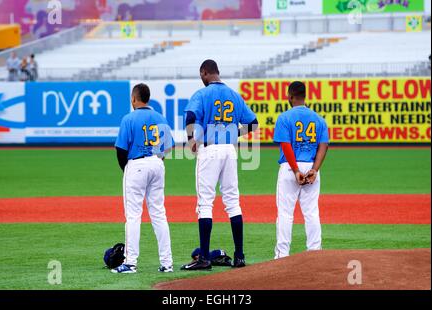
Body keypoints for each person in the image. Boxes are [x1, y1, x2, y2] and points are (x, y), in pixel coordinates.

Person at [181, 59, 258, 271]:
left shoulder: (202, 94)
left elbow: (189, 115)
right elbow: (253, 123)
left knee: (205, 203)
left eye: (201, 75)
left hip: (210, 149)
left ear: (205, 72)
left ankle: (204, 258)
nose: (201, 79)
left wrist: (190, 140)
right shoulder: (234, 95)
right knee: (233, 202)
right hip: (229, 150)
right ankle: (240, 256)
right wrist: (234, 133)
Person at [112, 83, 174, 274]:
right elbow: (168, 147)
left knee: (133, 216)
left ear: (134, 98)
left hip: (136, 165)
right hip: (157, 163)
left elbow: (121, 149)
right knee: (158, 214)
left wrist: (127, 169)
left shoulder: (129, 118)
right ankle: (167, 263)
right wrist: (157, 160)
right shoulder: (160, 117)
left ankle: (130, 263)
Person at [273, 81, 329, 259]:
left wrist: (296, 170)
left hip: (290, 168)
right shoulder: (319, 119)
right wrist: (315, 169)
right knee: (311, 212)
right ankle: (314, 251)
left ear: (290, 96)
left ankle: (282, 254)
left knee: (285, 213)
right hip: (311, 166)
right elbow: (324, 145)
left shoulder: (284, 117)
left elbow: (286, 145)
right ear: (305, 96)